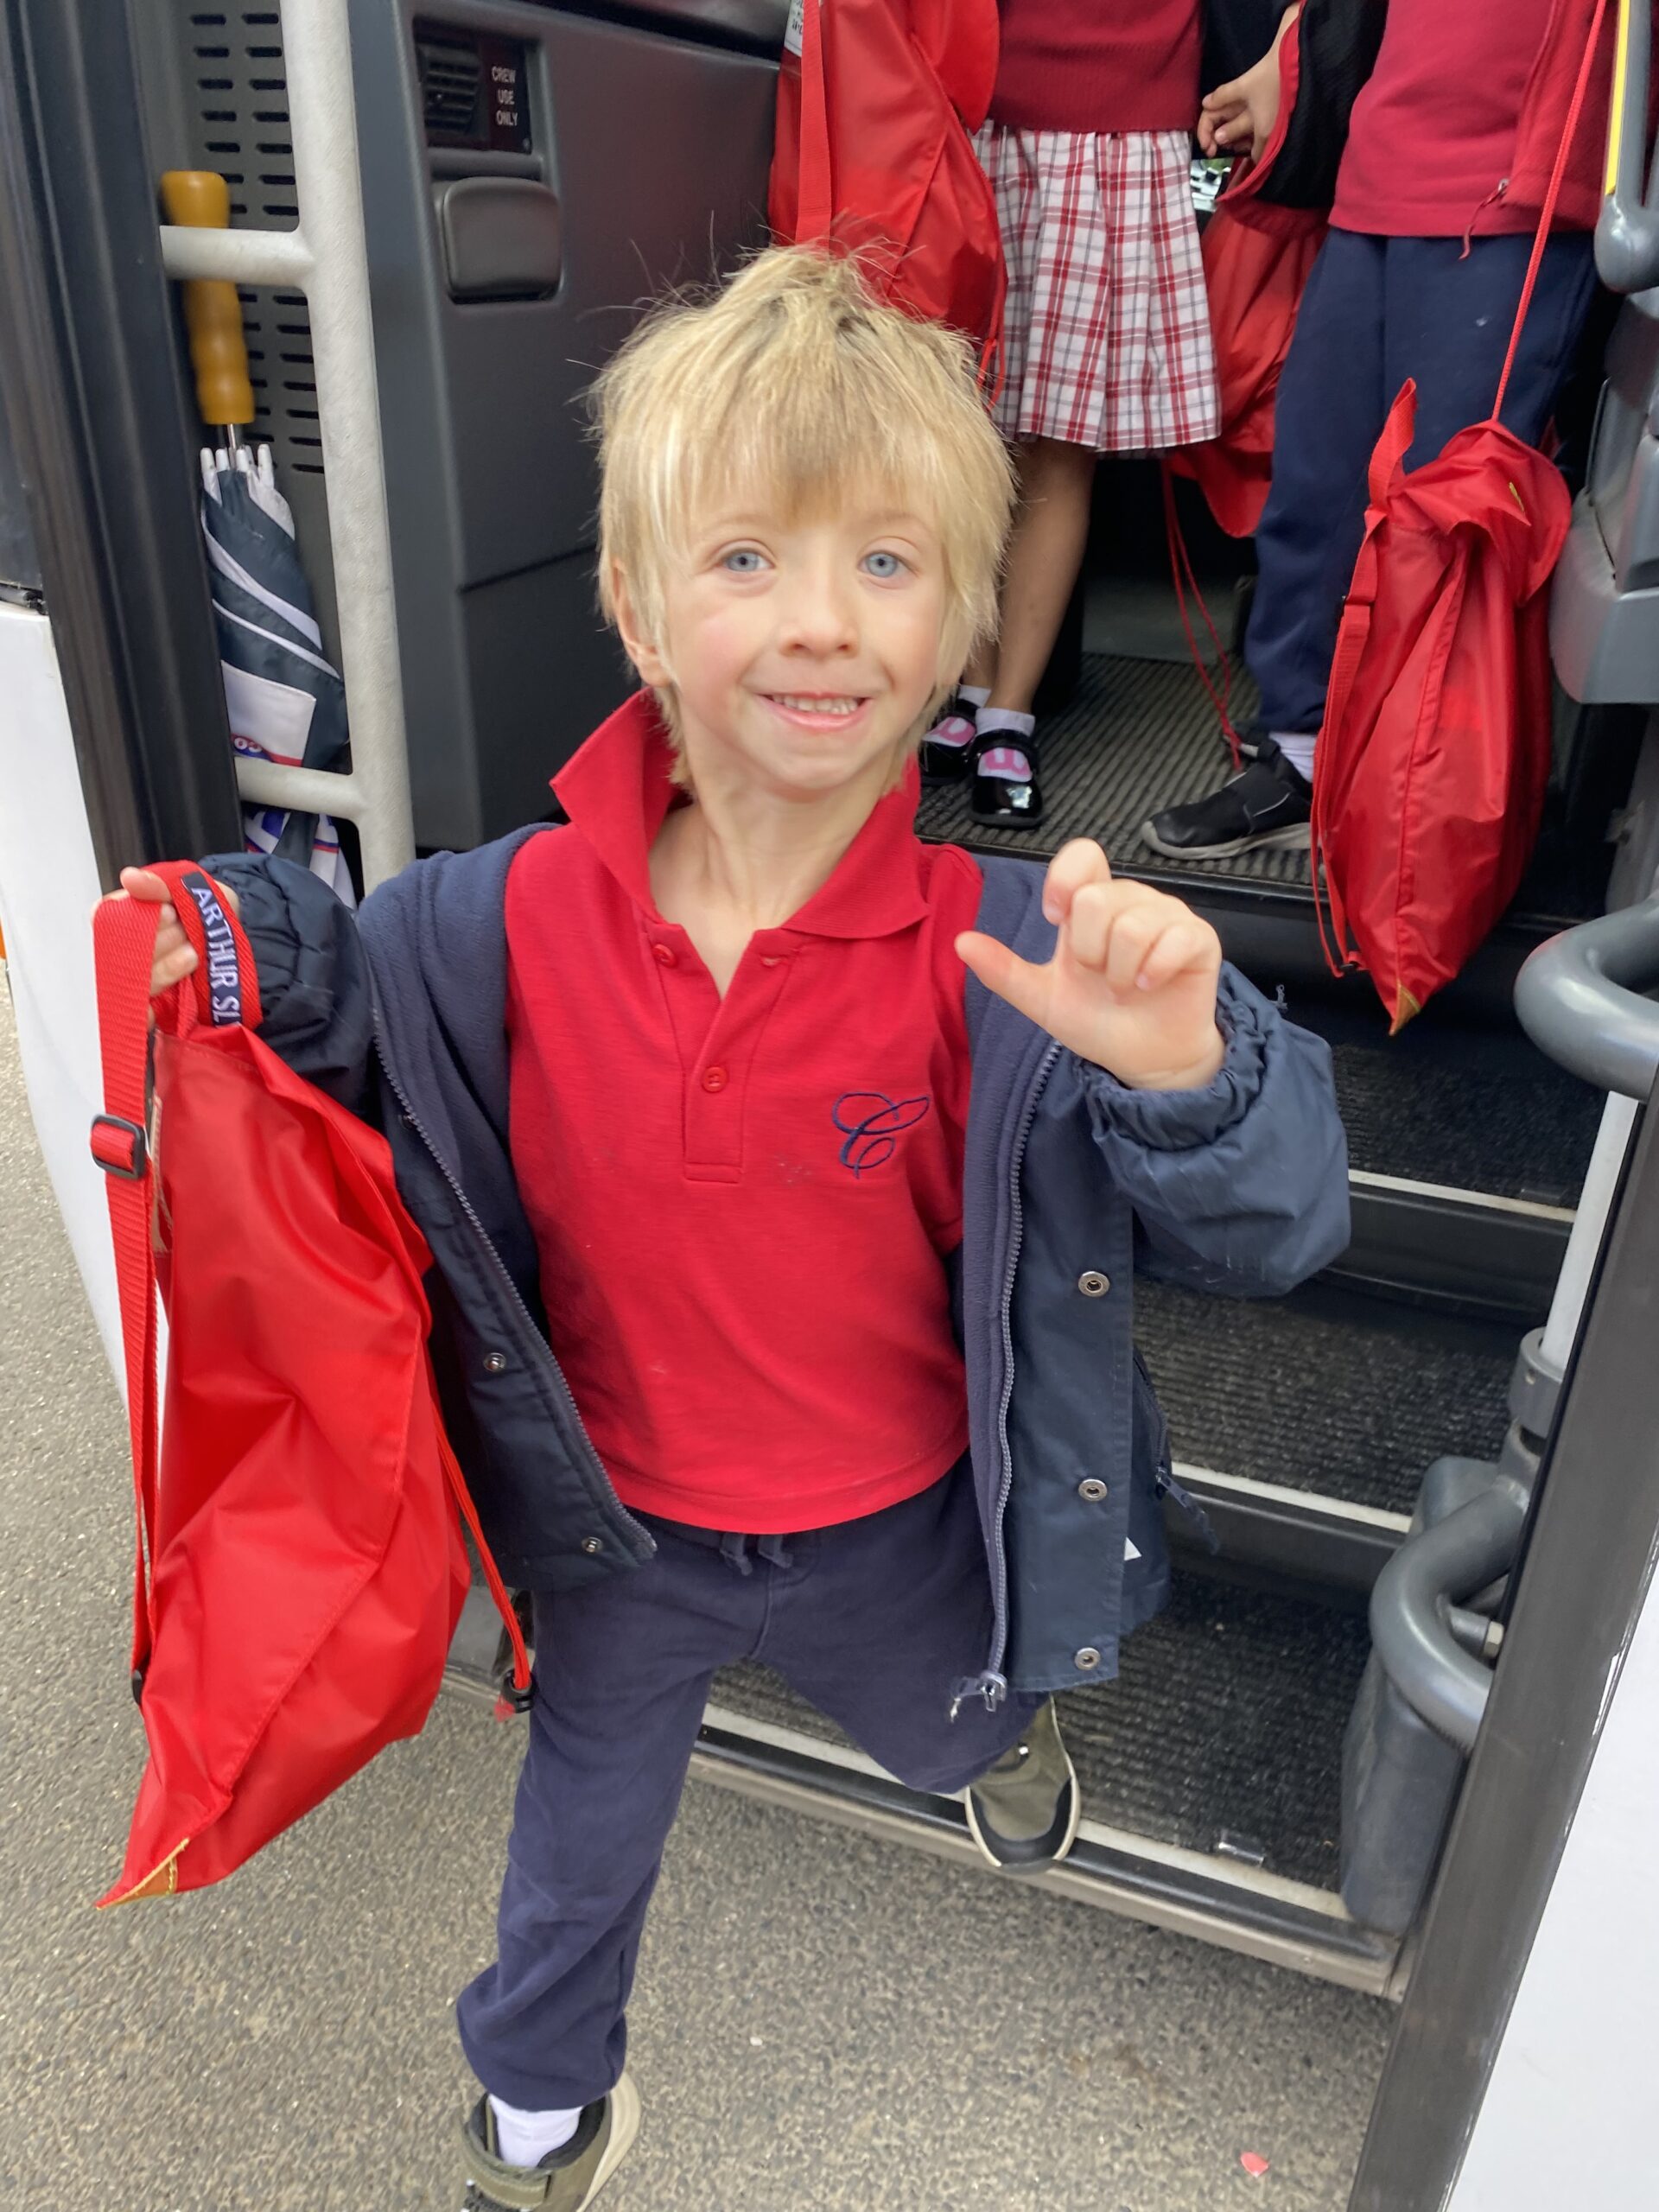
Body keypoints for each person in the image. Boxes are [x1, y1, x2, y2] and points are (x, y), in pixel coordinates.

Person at [113, 249, 1348, 2212]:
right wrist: (241, 939)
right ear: (632, 602)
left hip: (898, 1529)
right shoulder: (491, 919)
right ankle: (537, 2108)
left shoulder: (1009, 953)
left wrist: (1200, 1062)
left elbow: (1282, 1224)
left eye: (886, 562)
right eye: (747, 555)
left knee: (957, 1712)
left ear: (957, 626)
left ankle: (1000, 1742)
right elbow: (340, 988)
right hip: (616, 1536)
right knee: (571, 1849)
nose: (818, 623)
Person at [1141, 0, 1611, 861]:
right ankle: (1303, 755)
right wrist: (1286, 62)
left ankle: (1421, 790)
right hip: (1374, 169)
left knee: (1447, 520)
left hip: (1520, 191)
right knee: (1314, 488)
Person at [919, 0, 1221, 826]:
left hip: (1125, 119)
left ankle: (1006, 715)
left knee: (1058, 442)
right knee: (960, 428)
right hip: (974, 108)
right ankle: (971, 690)